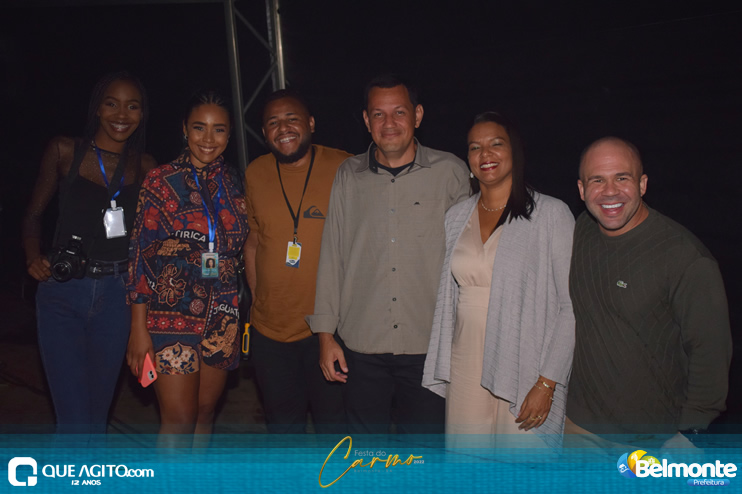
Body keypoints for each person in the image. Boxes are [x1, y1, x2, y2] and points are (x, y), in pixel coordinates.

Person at [307, 75, 470, 434]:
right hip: (362, 346)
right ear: (367, 121)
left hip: (429, 345)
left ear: (418, 115)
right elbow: (332, 256)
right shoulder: (348, 175)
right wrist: (325, 335)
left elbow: (468, 260)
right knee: (367, 454)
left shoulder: (451, 172)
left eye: (399, 112)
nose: (389, 123)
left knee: (423, 453)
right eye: (378, 114)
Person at [566, 137, 732, 449]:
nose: (610, 191)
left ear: (642, 184)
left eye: (622, 178)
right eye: (597, 180)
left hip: (651, 439)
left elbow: (710, 350)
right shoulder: (581, 231)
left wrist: (691, 432)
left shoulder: (685, 257)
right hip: (578, 428)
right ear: (581, 189)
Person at [422, 112, 575, 449]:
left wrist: (547, 382)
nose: (485, 154)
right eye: (475, 147)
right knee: (468, 460)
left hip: (525, 360)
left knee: (522, 462)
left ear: (514, 151)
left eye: (496, 144)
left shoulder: (551, 215)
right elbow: (449, 300)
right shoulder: (455, 217)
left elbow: (570, 307)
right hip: (466, 359)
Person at [22, 71, 156, 434]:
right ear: (98, 108)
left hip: (117, 297)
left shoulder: (145, 166)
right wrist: (33, 256)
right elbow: (33, 215)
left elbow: (151, 239)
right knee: (74, 420)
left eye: (132, 106)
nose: (121, 114)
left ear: (142, 114)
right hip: (63, 292)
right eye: (112, 103)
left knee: (96, 420)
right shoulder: (64, 150)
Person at [126, 90, 249, 444]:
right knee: (178, 419)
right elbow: (139, 255)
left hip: (222, 315)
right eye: (199, 127)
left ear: (229, 134)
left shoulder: (234, 184)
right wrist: (138, 329)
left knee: (205, 413)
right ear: (184, 129)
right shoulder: (160, 180)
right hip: (170, 314)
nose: (208, 138)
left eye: (219, 129)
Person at [244, 90, 350, 433]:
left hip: (329, 330)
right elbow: (253, 242)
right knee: (283, 431)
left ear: (311, 123)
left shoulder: (345, 167)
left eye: (292, 119)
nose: (283, 128)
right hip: (270, 334)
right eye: (273, 122)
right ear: (264, 132)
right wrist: (258, 299)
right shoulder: (256, 172)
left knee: (333, 429)